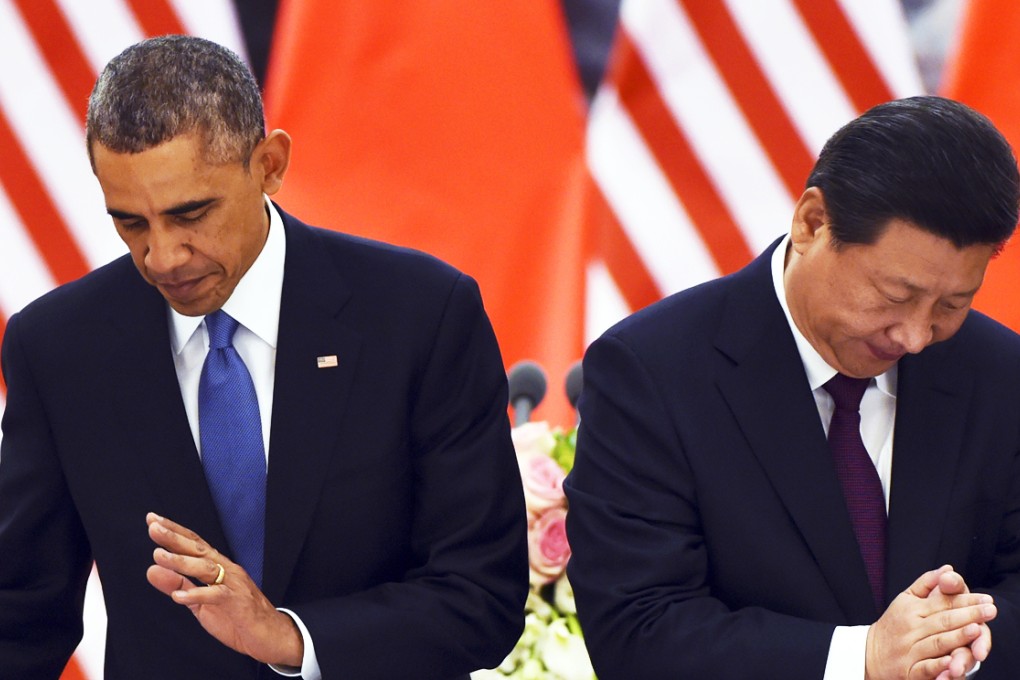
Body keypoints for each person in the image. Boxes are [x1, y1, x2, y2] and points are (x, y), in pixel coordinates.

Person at [0, 35, 528, 679]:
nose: (162, 257)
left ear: (270, 164)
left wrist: (290, 638)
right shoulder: (59, 346)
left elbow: (483, 595)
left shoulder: (420, 314)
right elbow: (20, 610)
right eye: (131, 223)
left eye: (190, 213)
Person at [564, 95, 1020, 679]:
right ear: (812, 223)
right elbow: (639, 628)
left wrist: (954, 643)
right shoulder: (651, 371)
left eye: (952, 304)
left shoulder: (999, 372)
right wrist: (863, 659)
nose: (914, 336)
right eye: (895, 296)